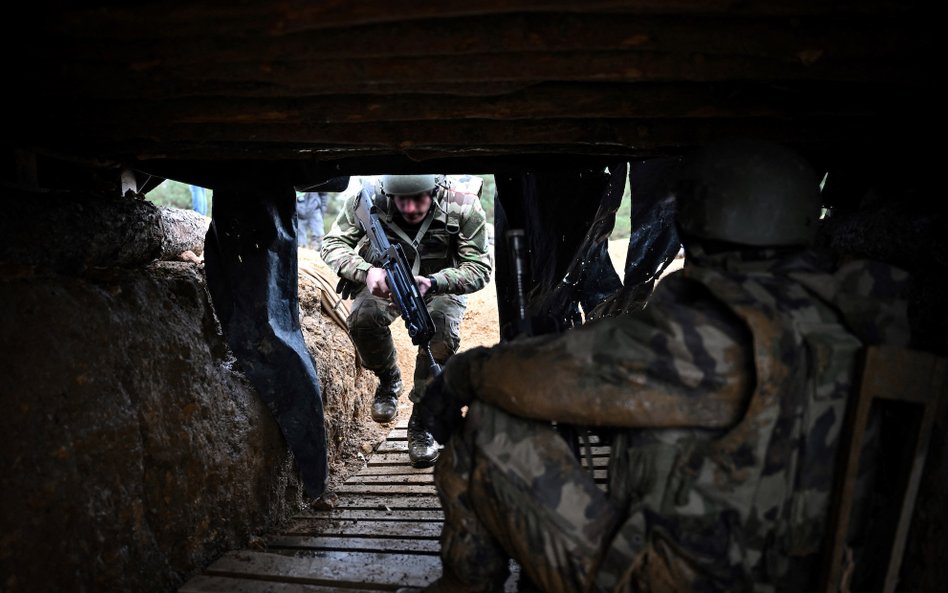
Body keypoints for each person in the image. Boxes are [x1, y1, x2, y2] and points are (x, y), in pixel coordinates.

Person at [403, 140, 912, 592]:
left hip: (679, 578)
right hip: (813, 573)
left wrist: (458, 377)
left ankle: (465, 584)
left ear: (699, 219)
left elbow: (530, 376)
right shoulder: (845, 315)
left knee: (492, 429)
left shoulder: (704, 330)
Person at [320, 174, 492, 468]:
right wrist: (365, 272)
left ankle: (421, 423)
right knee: (363, 319)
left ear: (435, 191)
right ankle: (389, 380)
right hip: (385, 280)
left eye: (420, 199)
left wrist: (436, 282)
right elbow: (332, 244)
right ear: (389, 194)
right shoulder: (369, 199)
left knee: (440, 336)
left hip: (439, 284)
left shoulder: (463, 205)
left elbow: (479, 268)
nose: (411, 209)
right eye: (402, 201)